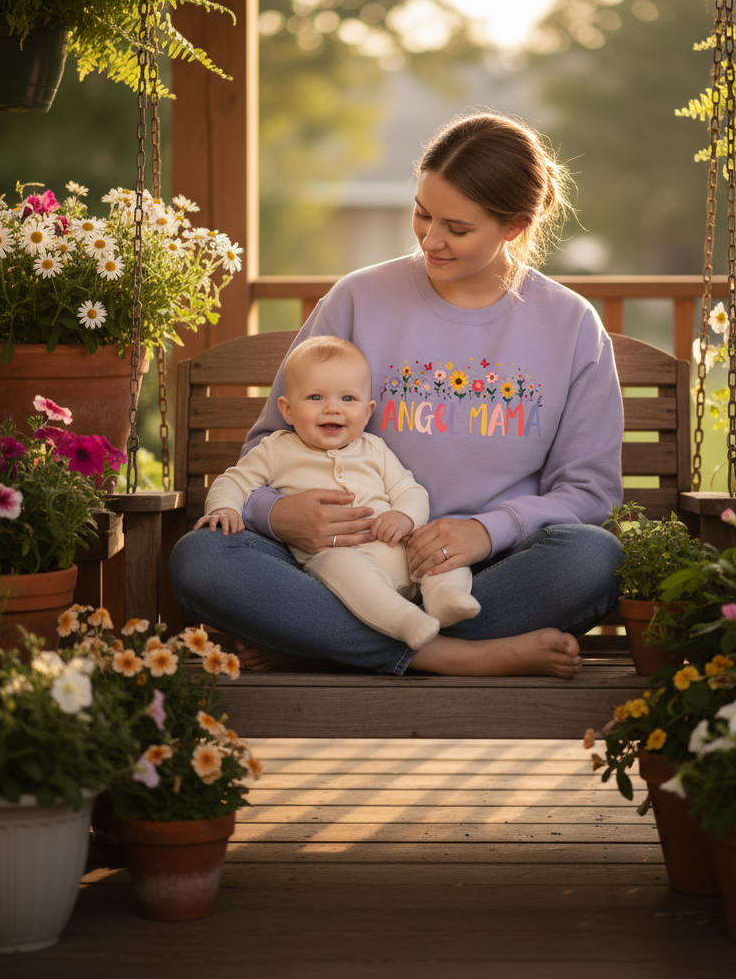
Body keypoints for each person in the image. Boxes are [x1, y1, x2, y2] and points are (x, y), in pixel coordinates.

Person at [170, 111, 625, 679]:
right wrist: (279, 513)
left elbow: (589, 492)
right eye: (422, 213)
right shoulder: (358, 298)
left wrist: (486, 532)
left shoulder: (571, 325)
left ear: (514, 226)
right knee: (204, 559)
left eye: (457, 229)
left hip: (481, 576)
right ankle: (457, 657)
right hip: (338, 562)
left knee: (592, 559)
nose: (431, 240)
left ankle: (325, 640)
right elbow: (269, 444)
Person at [194, 335, 479, 650]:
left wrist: (404, 517)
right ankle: (405, 622)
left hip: (401, 549)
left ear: (368, 411)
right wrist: (225, 508)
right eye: (315, 397)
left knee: (442, 550)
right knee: (345, 567)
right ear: (287, 410)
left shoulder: (375, 448)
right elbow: (233, 481)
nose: (332, 409)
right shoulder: (276, 449)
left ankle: (446, 597)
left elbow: (410, 490)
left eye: (348, 399)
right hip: (333, 558)